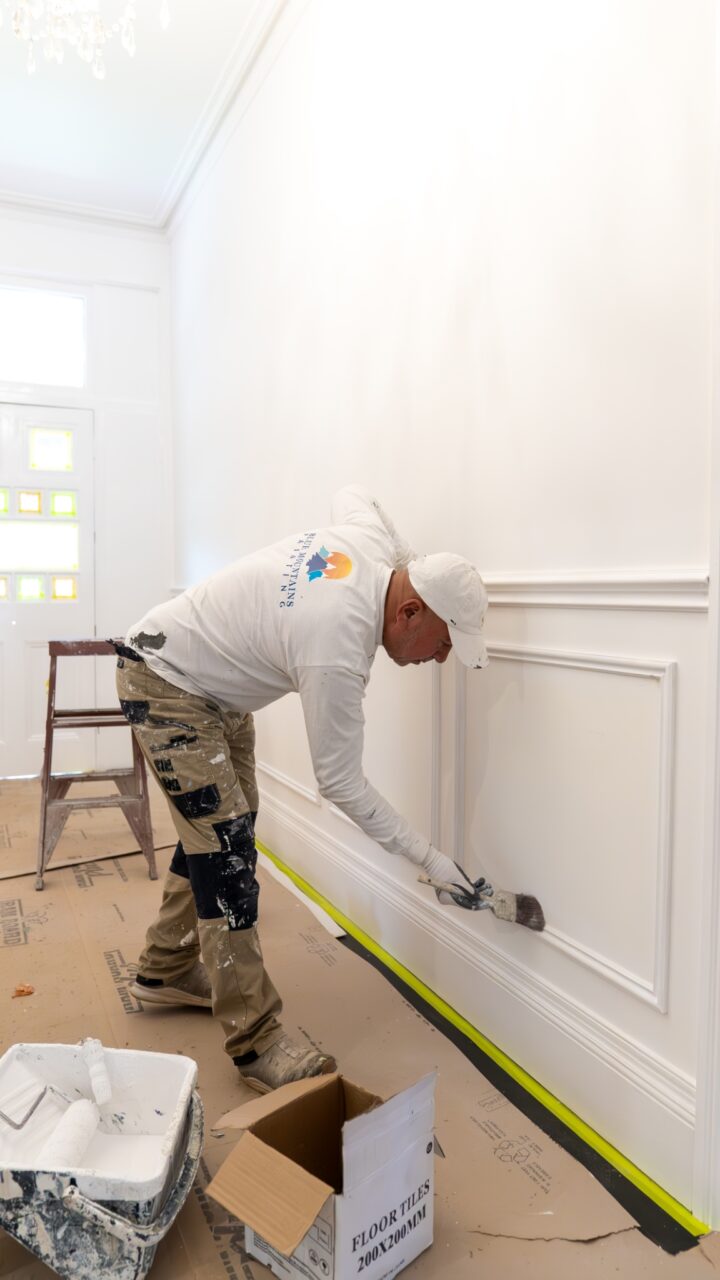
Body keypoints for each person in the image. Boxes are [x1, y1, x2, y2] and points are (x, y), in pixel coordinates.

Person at [115, 486, 489, 1094]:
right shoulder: (337, 646)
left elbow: (358, 496)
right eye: (444, 642)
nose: (441, 658)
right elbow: (340, 781)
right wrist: (430, 858)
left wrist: (411, 559)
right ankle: (256, 1040)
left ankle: (165, 968)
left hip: (217, 693)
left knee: (220, 827)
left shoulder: (368, 550)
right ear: (410, 613)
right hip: (165, 680)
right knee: (226, 850)